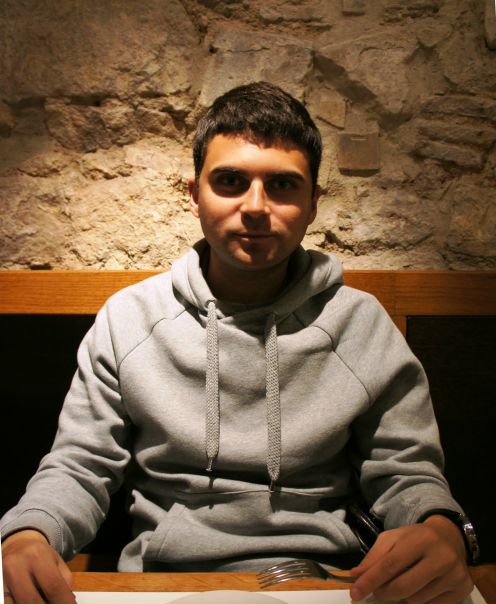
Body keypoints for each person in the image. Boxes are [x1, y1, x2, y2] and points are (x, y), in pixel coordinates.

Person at [1, 82, 476, 604]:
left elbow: (407, 472)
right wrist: (30, 532)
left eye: (282, 185)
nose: (255, 207)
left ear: (313, 204)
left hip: (327, 582)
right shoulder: (129, 319)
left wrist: (442, 526)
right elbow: (80, 465)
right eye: (230, 181)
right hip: (161, 582)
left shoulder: (358, 323)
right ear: (193, 195)